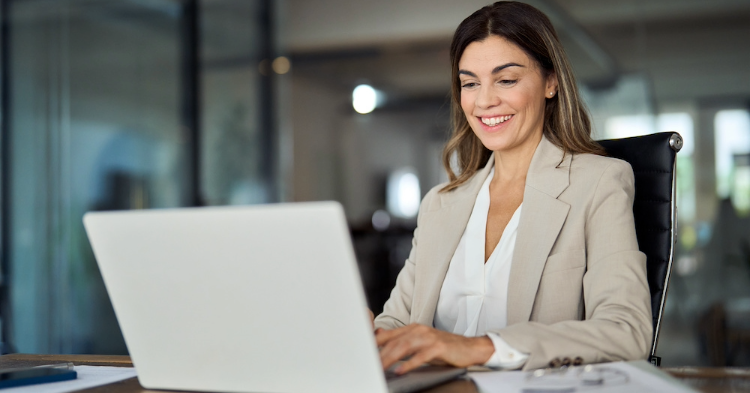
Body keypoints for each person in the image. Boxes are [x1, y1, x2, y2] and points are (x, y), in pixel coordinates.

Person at [373, 1, 652, 373]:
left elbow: (626, 331)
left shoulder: (598, 183)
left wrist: (480, 348)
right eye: (470, 83)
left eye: (506, 79)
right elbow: (396, 325)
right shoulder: (440, 204)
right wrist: (365, 333)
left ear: (550, 82)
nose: (485, 100)